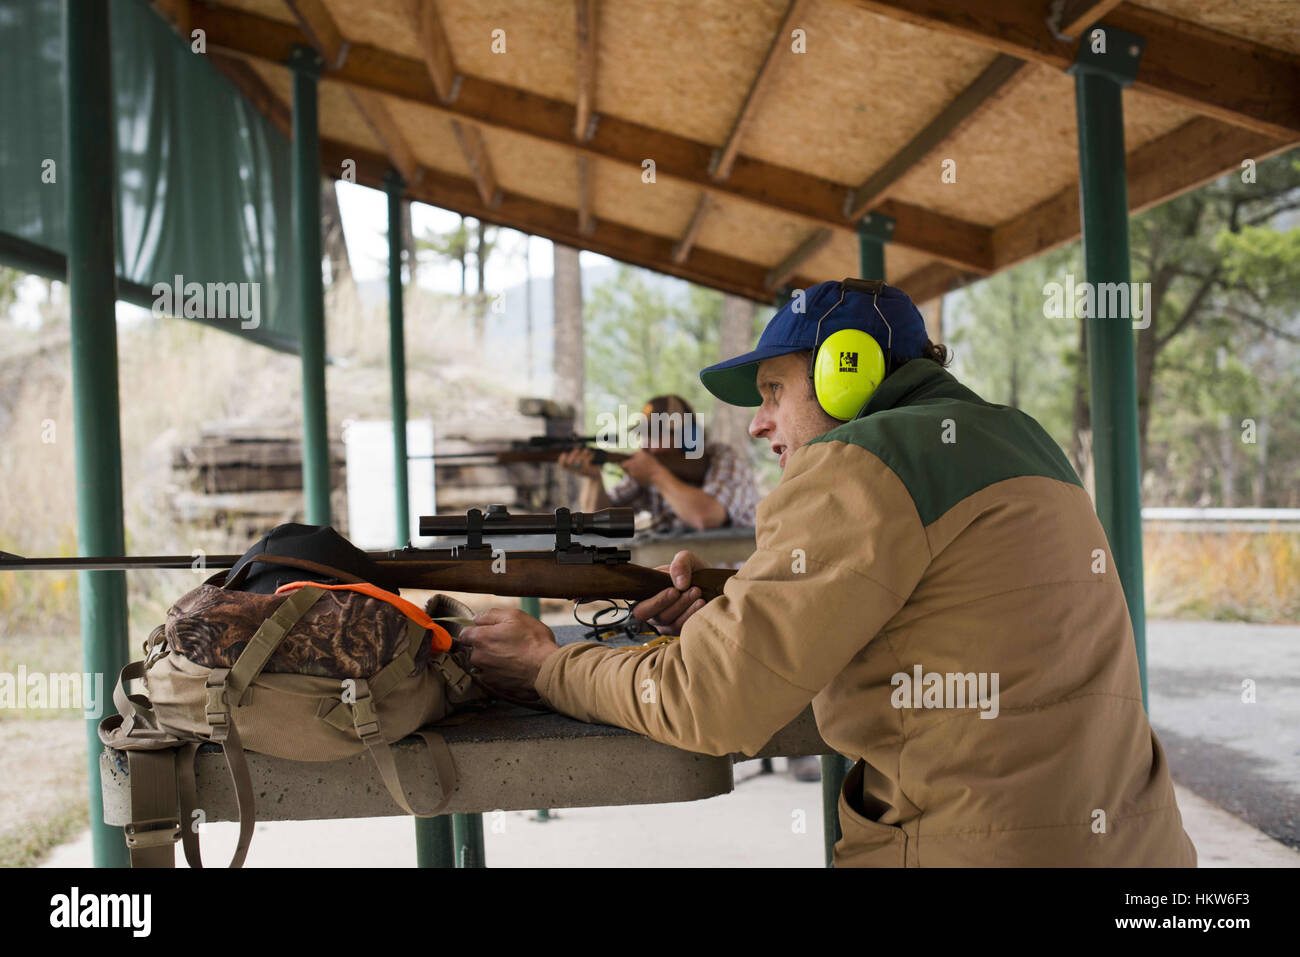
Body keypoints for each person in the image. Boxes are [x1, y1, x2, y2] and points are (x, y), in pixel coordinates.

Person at [461, 278, 1197, 867]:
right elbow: (944, 602)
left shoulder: (860, 460)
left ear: (850, 372)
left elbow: (712, 702)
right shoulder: (1021, 437)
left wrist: (548, 666)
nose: (759, 421)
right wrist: (743, 594)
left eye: (774, 390)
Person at [557, 394, 758, 533]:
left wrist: (656, 475)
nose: (646, 446)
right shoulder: (650, 466)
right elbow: (599, 519)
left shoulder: (723, 458)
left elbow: (705, 517)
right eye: (644, 435)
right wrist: (594, 479)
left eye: (654, 435)